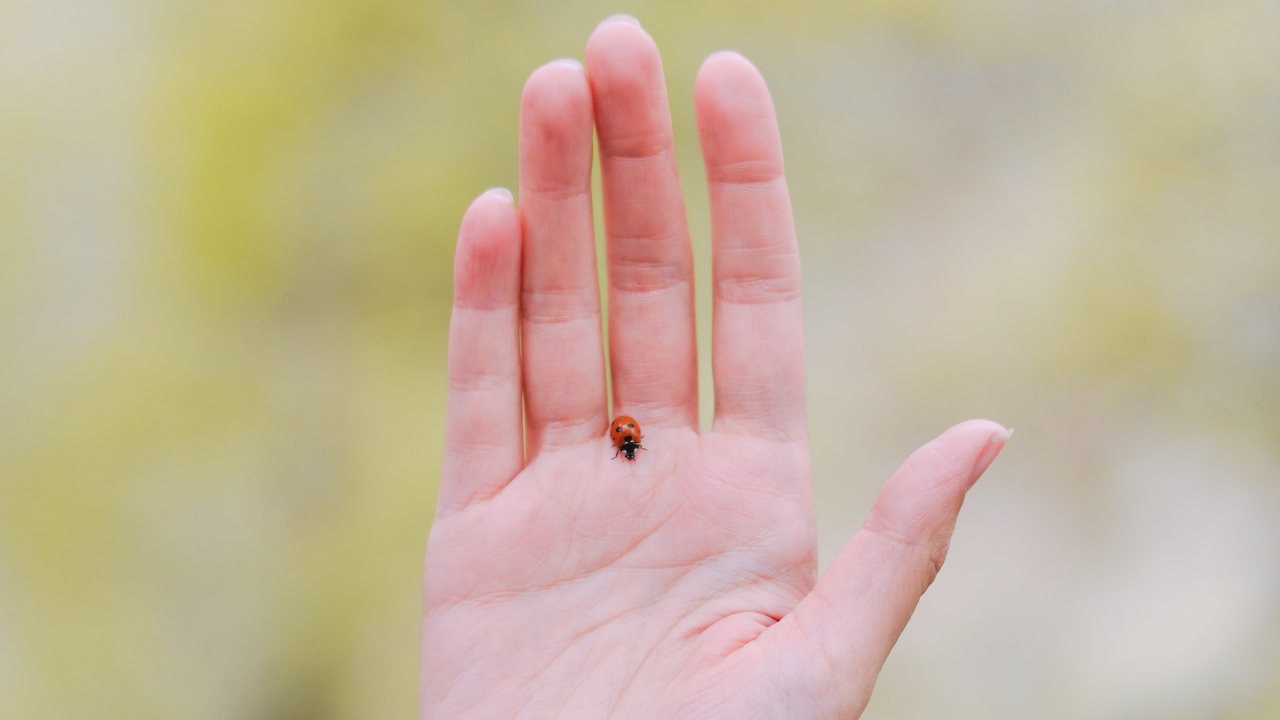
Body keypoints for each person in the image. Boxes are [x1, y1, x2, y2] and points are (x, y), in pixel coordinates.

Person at [421, 15, 1010, 719]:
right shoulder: (627, 437)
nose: (626, 442)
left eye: (625, 442)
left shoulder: (628, 438)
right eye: (627, 441)